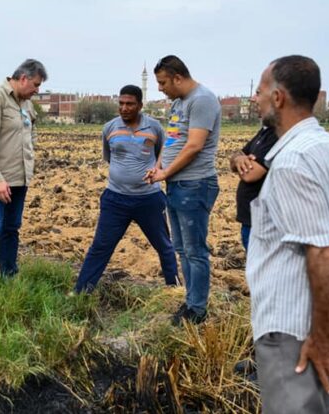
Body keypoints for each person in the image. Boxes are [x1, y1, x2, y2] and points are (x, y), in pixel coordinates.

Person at [246, 55, 329, 413]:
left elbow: (324, 251)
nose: (255, 99)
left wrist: (321, 337)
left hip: (292, 331)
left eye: (260, 91)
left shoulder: (292, 162)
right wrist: (325, 328)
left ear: (278, 98)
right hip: (314, 323)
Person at [73, 85, 178, 293]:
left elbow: (162, 155)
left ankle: (174, 292)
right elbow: (109, 158)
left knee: (164, 246)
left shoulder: (154, 127)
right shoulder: (109, 128)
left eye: (130, 104)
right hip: (115, 199)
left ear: (140, 105)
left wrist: (154, 171)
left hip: (149, 199)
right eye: (121, 103)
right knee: (100, 247)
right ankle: (80, 293)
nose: (124, 108)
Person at [146, 55, 221, 326]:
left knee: (194, 250)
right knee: (181, 248)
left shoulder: (202, 100)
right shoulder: (179, 102)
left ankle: (197, 309)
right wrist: (158, 167)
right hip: (177, 183)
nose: (160, 88)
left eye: (163, 82)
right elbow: (174, 141)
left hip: (195, 184)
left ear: (178, 77)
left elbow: (194, 146)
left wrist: (165, 172)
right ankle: (191, 301)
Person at [0, 59, 46, 295]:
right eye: (35, 84)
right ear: (23, 78)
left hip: (20, 179)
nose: (37, 90)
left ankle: (8, 276)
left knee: (12, 229)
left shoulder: (26, 104)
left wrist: (30, 164)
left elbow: (30, 135)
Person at [229, 112, 278, 252]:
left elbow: (250, 174)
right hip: (251, 220)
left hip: (261, 224)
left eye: (258, 94)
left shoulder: (275, 135)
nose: (253, 99)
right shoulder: (264, 132)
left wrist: (239, 160)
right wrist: (238, 159)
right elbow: (236, 157)